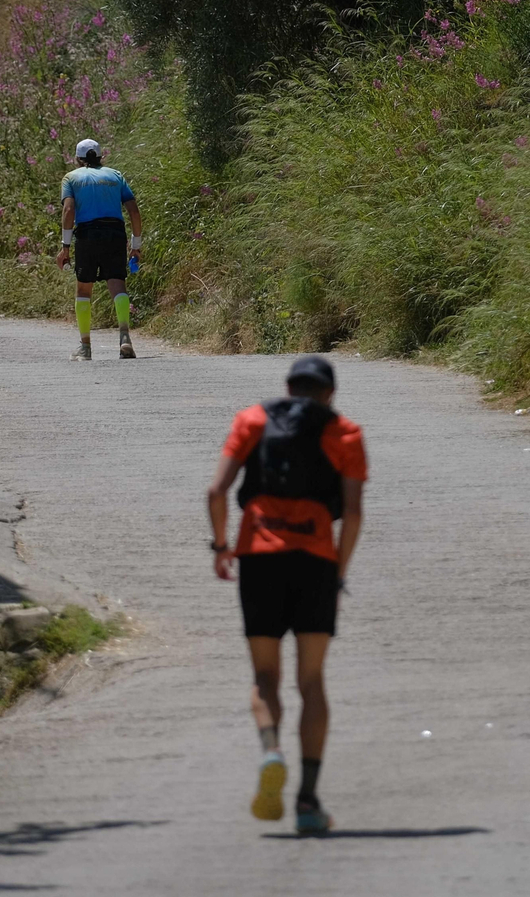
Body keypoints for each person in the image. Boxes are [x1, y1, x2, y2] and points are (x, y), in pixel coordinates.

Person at [206, 355, 367, 834]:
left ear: (288, 387)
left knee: (264, 676)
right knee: (312, 682)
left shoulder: (253, 420)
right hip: (315, 560)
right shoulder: (345, 434)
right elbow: (354, 514)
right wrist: (337, 572)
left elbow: (216, 492)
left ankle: (271, 751)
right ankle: (307, 802)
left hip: (258, 557)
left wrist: (221, 547)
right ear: (330, 394)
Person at [54, 138, 143, 361]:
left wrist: (65, 247)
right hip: (115, 232)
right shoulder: (115, 176)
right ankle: (125, 339)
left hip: (87, 234)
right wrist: (136, 246)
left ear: (78, 159)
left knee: (84, 290)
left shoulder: (71, 178)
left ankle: (85, 348)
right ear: (101, 156)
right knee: (117, 284)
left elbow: (68, 210)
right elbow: (133, 211)